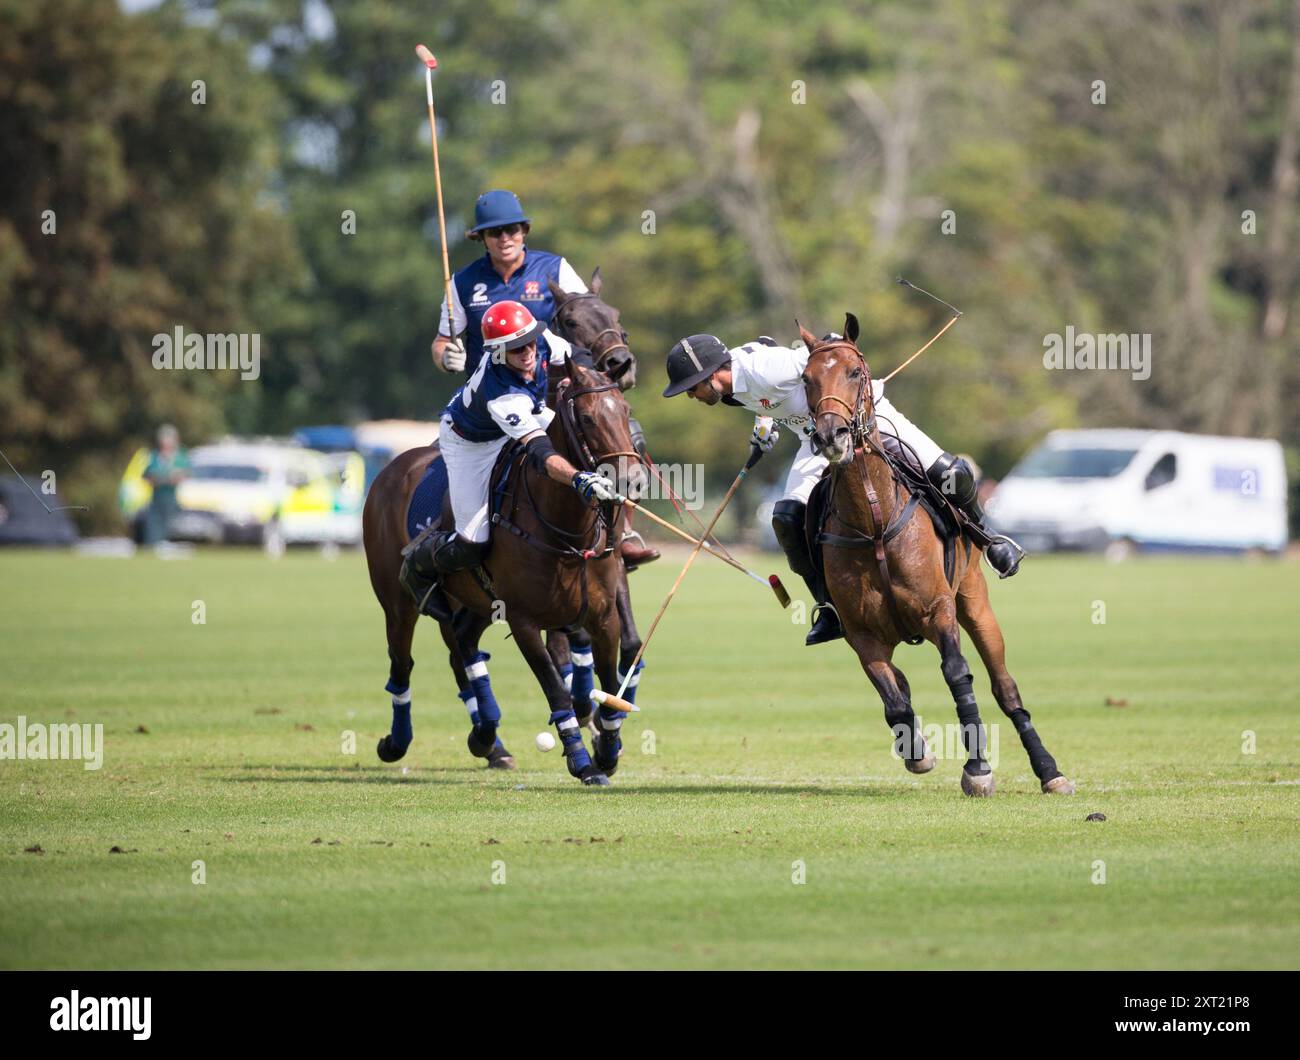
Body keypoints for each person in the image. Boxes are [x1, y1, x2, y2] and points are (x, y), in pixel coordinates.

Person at [661, 333, 1024, 646]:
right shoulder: (734, 381)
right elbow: (763, 351)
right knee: (786, 519)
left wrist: (834, 344)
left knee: (950, 472)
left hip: (868, 418)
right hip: (816, 439)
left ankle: (992, 541)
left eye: (690, 388)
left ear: (711, 373)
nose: (691, 396)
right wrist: (764, 424)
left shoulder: (766, 367)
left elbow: (821, 361)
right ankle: (829, 606)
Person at [431, 188, 658, 568]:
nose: (505, 238)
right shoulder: (463, 283)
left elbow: (589, 317)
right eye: (495, 232)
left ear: (524, 231)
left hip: (551, 394)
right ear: (481, 238)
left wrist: (612, 363)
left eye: (512, 230)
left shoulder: (553, 269)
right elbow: (441, 341)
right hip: (495, 401)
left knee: (622, 433)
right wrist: (445, 357)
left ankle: (623, 532)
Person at [402, 300, 619, 618]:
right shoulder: (503, 392)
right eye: (516, 348)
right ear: (500, 352)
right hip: (471, 442)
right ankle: (417, 566)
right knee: (473, 540)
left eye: (529, 341)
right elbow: (542, 452)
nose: (527, 351)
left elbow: (574, 361)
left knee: (578, 434)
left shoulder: (540, 341)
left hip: (529, 411)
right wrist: (578, 479)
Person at [141, 424, 188, 546]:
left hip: (173, 500)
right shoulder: (154, 456)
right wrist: (165, 478)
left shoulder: (180, 456)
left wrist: (164, 478)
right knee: (153, 533)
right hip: (156, 499)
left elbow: (182, 476)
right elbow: (148, 476)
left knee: (171, 531)